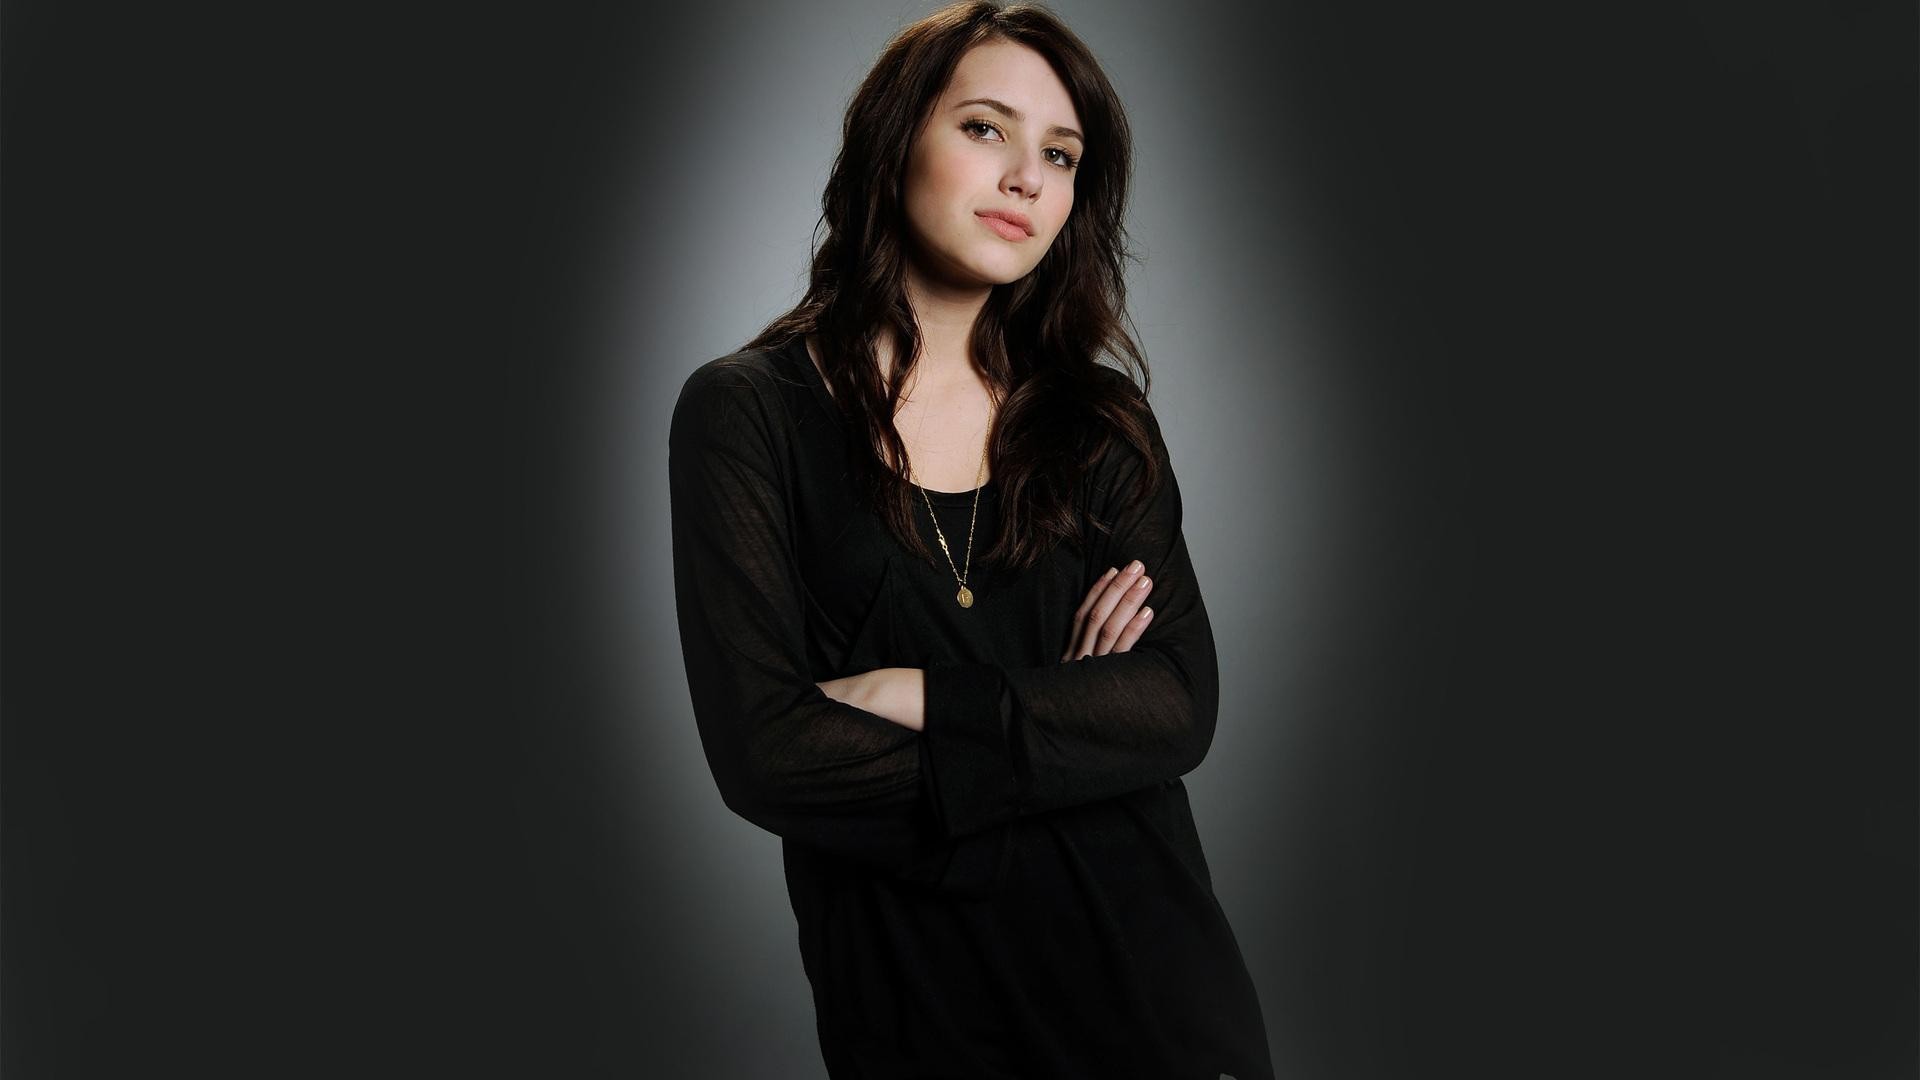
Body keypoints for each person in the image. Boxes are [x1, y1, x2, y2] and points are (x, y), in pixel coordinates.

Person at [668, 3, 1274, 1076]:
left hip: (1156, 995)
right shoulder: (748, 415)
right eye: (986, 128)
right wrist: (1068, 718)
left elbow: (1178, 705)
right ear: (895, 137)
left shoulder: (1099, 421)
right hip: (920, 1012)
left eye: (1062, 154)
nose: (1027, 179)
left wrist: (916, 696)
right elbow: (769, 756)